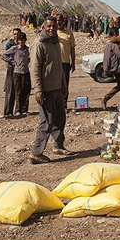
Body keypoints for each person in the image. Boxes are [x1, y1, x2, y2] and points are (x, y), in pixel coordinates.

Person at [28, 16, 72, 164]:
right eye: (49, 26)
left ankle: (58, 145)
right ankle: (36, 153)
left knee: (60, 119)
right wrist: (38, 90)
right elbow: (34, 68)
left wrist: (64, 84)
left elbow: (59, 67)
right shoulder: (39, 44)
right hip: (45, 90)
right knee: (46, 122)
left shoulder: (55, 43)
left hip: (57, 88)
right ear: (43, 27)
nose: (51, 28)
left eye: (53, 26)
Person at [2, 31, 31, 117]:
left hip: (25, 71)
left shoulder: (27, 49)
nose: (21, 42)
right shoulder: (15, 49)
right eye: (20, 40)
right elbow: (4, 55)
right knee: (18, 91)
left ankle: (24, 109)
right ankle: (18, 110)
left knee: (26, 91)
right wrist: (12, 61)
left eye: (23, 40)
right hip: (17, 72)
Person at [101, 27, 120, 109]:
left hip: (113, 68)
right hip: (118, 68)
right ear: (115, 35)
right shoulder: (114, 45)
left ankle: (105, 98)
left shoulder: (108, 45)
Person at [56, 14, 76, 110]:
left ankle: (64, 105)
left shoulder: (69, 33)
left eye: (60, 20)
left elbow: (72, 48)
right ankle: (56, 106)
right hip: (54, 63)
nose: (58, 22)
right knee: (55, 84)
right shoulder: (53, 32)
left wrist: (73, 62)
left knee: (65, 84)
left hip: (65, 63)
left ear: (64, 21)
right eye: (57, 20)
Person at [3, 28, 21, 117]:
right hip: (11, 68)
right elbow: (4, 55)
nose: (16, 35)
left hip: (20, 70)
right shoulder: (10, 44)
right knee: (10, 90)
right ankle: (8, 111)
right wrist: (12, 61)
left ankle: (19, 110)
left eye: (18, 34)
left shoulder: (22, 44)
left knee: (19, 90)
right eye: (15, 34)